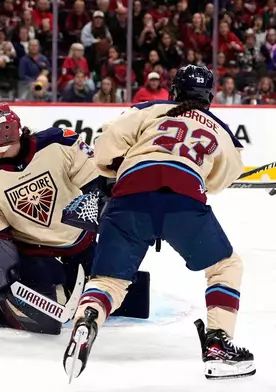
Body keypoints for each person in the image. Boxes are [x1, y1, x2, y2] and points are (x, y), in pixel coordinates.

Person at [63, 65, 255, 381]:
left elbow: (107, 142)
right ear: (209, 96)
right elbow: (225, 176)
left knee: (110, 280)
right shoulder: (220, 129)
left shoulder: (150, 109)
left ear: (173, 91)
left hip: (129, 198)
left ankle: (87, 319)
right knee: (226, 266)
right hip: (183, 202)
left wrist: (114, 171)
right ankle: (219, 345)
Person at [0, 102, 148, 335]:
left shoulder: (57, 142)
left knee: (115, 288)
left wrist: (104, 200)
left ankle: (72, 283)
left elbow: (96, 179)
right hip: (35, 251)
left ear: (8, 132)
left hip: (78, 241)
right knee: (44, 318)